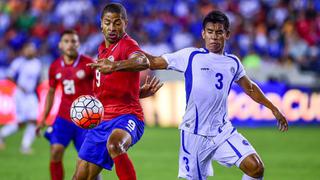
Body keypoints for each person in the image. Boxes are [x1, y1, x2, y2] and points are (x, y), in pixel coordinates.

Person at [89, 10, 289, 180]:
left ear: (227, 34)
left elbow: (251, 88)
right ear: (203, 33)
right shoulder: (190, 56)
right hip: (193, 134)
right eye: (210, 32)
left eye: (219, 33)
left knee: (256, 168)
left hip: (222, 131)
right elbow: (153, 61)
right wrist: (126, 51)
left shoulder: (233, 62)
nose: (214, 37)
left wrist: (273, 108)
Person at [37, 29, 162, 180]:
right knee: (79, 173)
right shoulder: (100, 52)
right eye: (66, 41)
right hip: (76, 117)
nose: (70, 45)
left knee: (115, 145)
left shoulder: (121, 48)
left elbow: (142, 61)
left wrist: (115, 66)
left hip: (99, 117)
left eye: (74, 41)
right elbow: (105, 91)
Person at [0, 42, 42, 154]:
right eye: (27, 49)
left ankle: (25, 146)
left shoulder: (37, 63)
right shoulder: (19, 62)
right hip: (20, 94)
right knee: (21, 122)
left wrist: (37, 92)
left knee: (33, 120)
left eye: (31, 49)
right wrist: (19, 86)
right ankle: (2, 135)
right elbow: (9, 76)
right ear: (24, 50)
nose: (30, 51)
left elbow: (38, 80)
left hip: (31, 95)